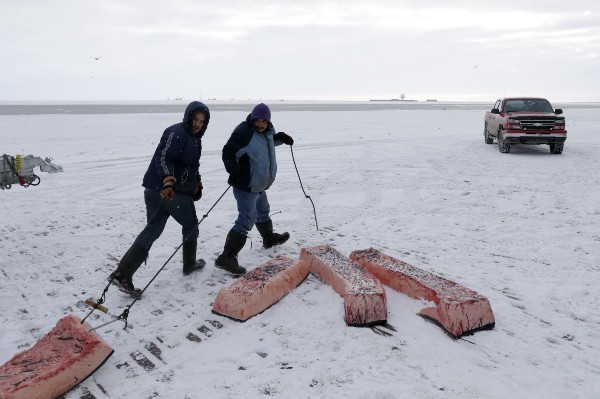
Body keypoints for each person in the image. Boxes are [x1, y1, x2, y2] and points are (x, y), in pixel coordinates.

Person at [108, 101, 210, 296]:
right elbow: (163, 158)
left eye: (202, 121)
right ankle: (189, 264)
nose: (198, 124)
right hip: (169, 192)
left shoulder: (195, 138)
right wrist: (169, 181)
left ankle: (122, 274)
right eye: (195, 119)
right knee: (191, 225)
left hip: (156, 190)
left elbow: (192, 166)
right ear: (188, 117)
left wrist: (197, 183)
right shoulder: (177, 133)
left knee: (153, 229)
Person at [215, 103, 294, 275]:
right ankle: (227, 256)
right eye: (257, 121)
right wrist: (234, 172)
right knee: (246, 220)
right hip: (246, 186)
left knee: (263, 211)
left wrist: (280, 138)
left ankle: (268, 238)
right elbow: (228, 152)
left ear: (268, 122)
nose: (260, 124)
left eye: (264, 122)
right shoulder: (244, 132)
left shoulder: (265, 133)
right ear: (252, 119)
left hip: (258, 185)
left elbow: (265, 143)